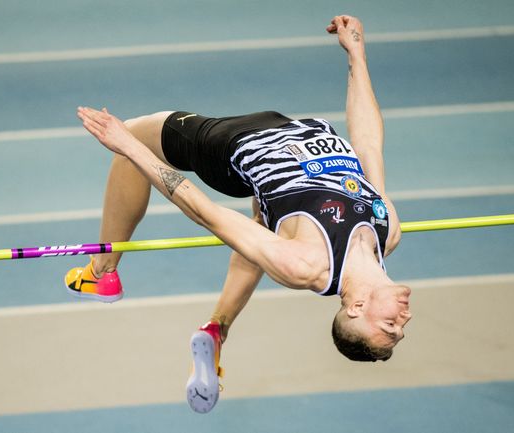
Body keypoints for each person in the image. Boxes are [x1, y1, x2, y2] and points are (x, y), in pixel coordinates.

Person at [64, 15, 412, 413]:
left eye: (390, 327)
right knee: (264, 226)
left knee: (135, 141)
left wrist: (127, 143)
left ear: (356, 308)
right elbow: (369, 143)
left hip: (233, 148)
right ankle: (217, 330)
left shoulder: (305, 263)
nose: (404, 320)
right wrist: (357, 56)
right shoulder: (389, 232)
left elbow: (205, 212)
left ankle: (103, 271)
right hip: (292, 140)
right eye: (400, 330)